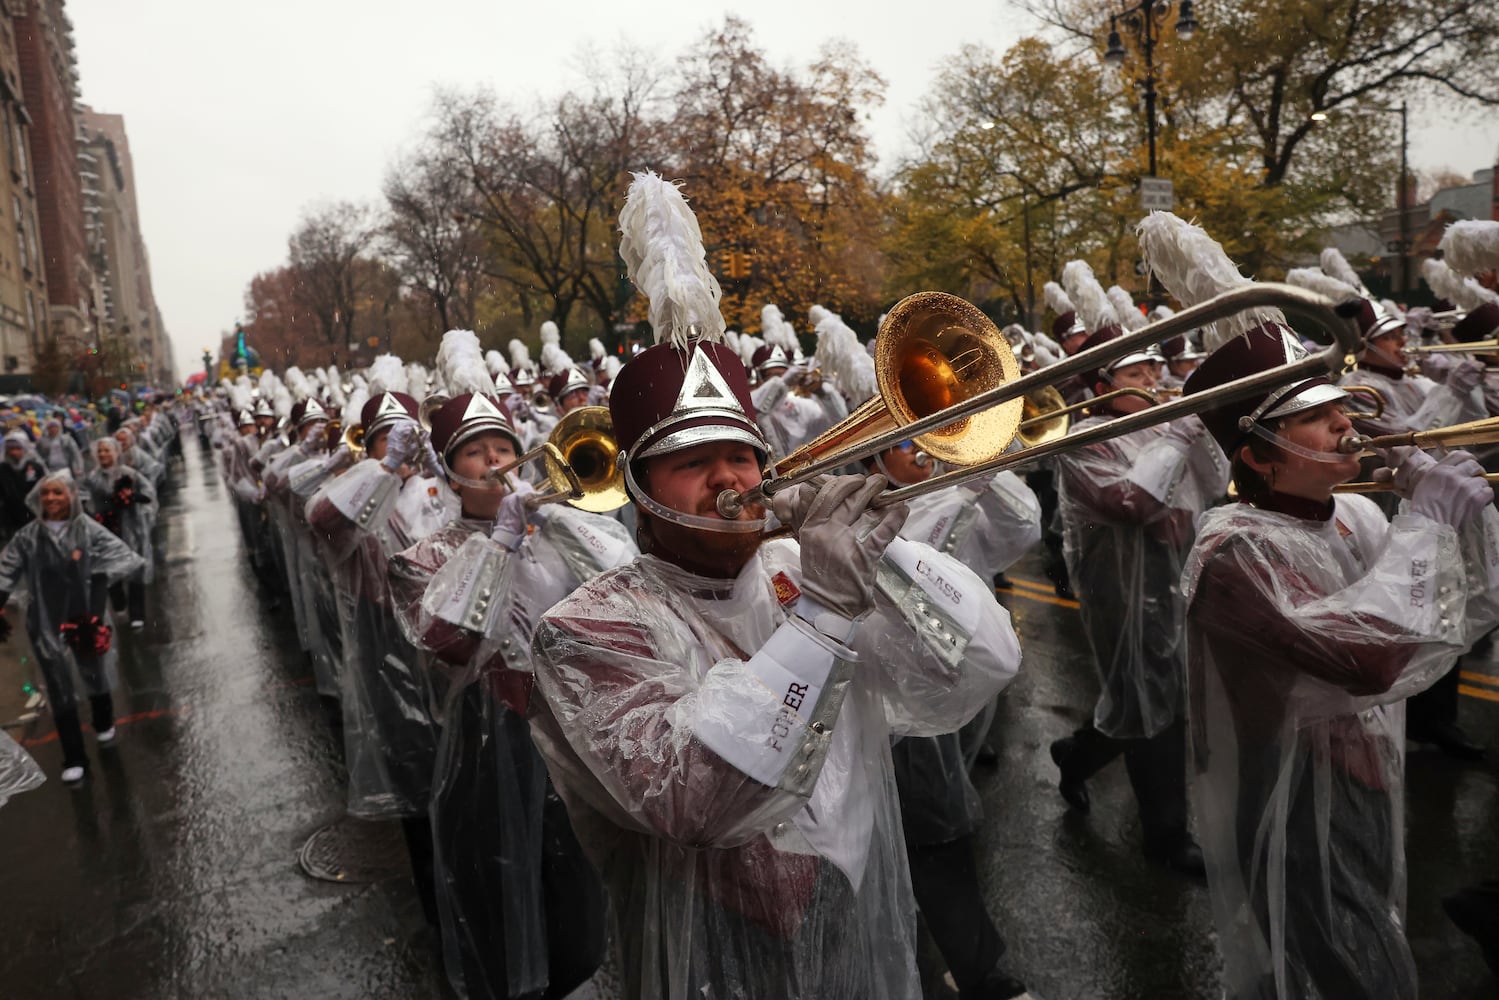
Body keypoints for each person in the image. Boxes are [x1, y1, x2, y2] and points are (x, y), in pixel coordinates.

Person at [527, 171, 1021, 1000]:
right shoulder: (588, 627)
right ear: (639, 489)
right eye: (692, 464)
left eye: (742, 456)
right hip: (710, 958)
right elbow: (695, 799)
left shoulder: (801, 565)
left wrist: (882, 547)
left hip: (859, 930)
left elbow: (981, 664)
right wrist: (824, 614)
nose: (729, 480)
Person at [1177, 323, 1499, 999]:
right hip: (1288, 789)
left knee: (1361, 935)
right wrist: (1428, 523)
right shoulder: (1232, 552)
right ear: (1260, 457)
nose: (1345, 424)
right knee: (1348, 970)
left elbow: (1453, 612)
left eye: (1337, 408)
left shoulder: (1351, 513)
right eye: (1315, 419)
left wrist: (1461, 519)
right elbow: (1369, 661)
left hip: (1368, 770)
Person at [388, 375, 632, 1000]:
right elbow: (450, 641)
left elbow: (630, 589)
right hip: (486, 746)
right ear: (448, 471)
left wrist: (557, 518)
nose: (495, 461)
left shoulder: (557, 530)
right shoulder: (424, 556)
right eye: (475, 451)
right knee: (502, 898)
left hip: (568, 740)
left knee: (577, 912)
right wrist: (498, 541)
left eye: (501, 445)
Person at [1046, 323, 1227, 875]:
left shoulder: (1162, 425)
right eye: (1135, 372)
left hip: (1175, 575)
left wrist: (1198, 433)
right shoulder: (1081, 439)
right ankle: (1166, 836)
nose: (1152, 378)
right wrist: (1176, 436)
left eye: (1153, 368)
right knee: (1153, 701)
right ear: (1102, 387)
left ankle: (1076, 755)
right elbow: (1131, 504)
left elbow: (1215, 485)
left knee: (1151, 696)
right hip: (1117, 588)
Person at [0, 471, 144, 784]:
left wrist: (94, 592)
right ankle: (74, 756)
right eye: (46, 493)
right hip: (45, 622)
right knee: (57, 686)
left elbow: (125, 558)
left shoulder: (88, 530)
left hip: (85, 617)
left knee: (94, 672)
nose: (51, 499)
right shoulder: (27, 537)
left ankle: (103, 722)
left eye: (58, 493)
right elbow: (5, 569)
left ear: (71, 497)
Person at [82, 438, 156, 629]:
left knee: (134, 567)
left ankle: (137, 613)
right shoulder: (92, 477)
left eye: (107, 450)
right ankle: (119, 602)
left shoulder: (129, 474)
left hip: (132, 528)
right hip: (106, 529)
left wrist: (133, 497)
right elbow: (84, 500)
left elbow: (147, 493)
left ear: (116, 452)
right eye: (100, 451)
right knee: (109, 567)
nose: (103, 454)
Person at [0, 430, 45, 540]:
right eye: (11, 449)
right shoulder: (2, 469)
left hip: (32, 514)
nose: (14, 452)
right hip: (9, 517)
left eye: (18, 449)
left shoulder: (35, 467)